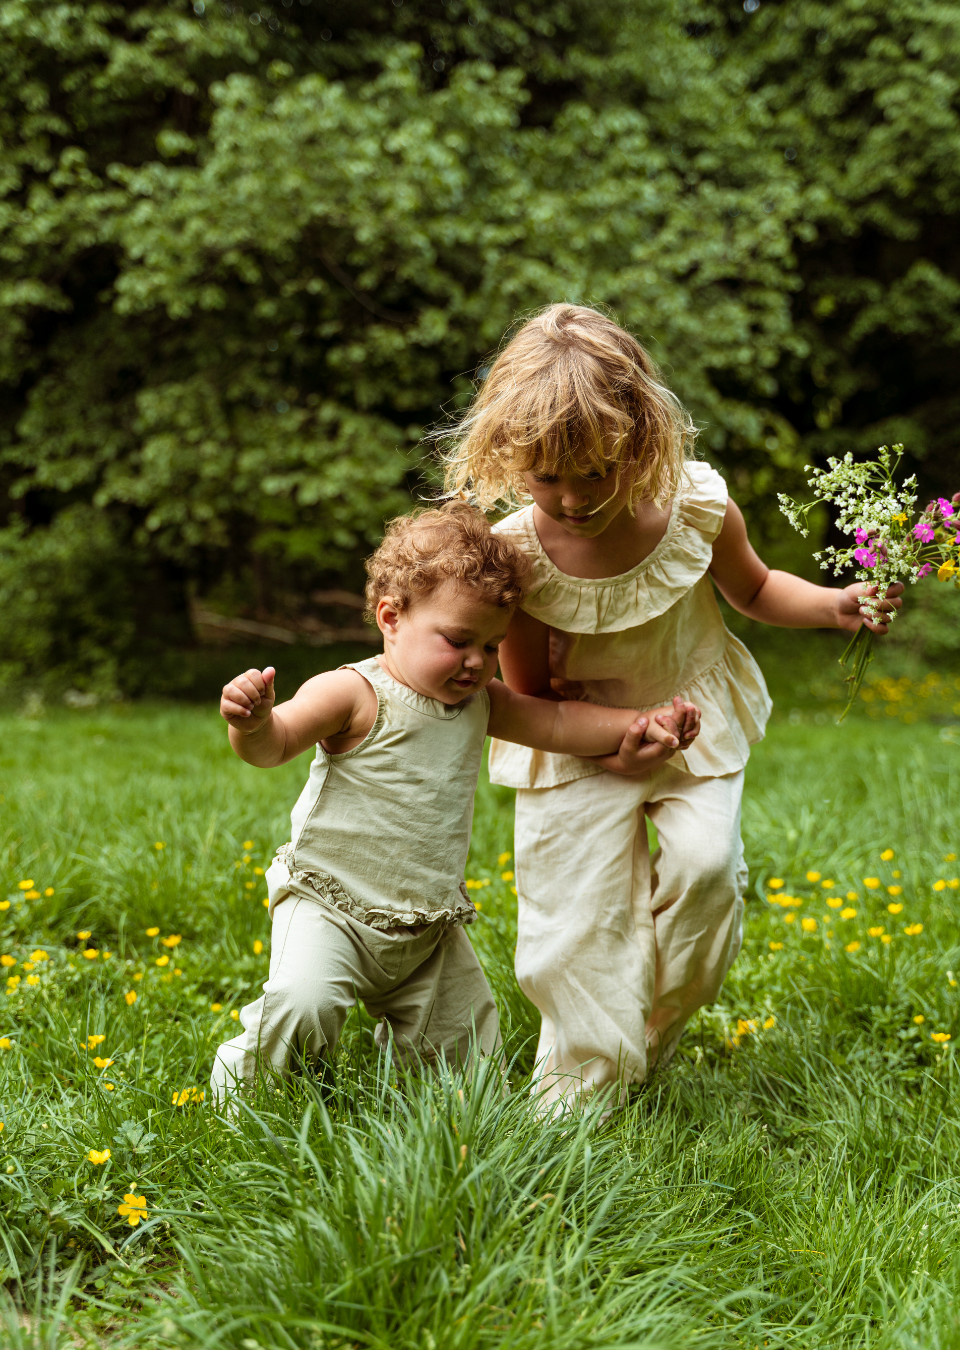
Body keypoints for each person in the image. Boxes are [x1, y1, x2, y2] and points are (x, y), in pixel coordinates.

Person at [442, 303, 905, 1110]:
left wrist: (835, 605)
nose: (574, 498)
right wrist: (615, 745)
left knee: (706, 871)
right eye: (547, 477)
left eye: (595, 472)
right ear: (509, 456)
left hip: (694, 721)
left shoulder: (695, 508)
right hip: (579, 738)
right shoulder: (514, 554)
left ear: (640, 442)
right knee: (571, 921)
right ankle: (576, 1091)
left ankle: (647, 1031)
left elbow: (756, 588)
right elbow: (534, 697)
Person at [210, 503, 699, 1103]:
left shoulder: (480, 702)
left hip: (426, 921)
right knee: (304, 1003)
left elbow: (561, 722)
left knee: (466, 1049)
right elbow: (273, 745)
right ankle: (244, 1092)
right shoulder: (355, 693)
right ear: (391, 617)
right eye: (458, 640)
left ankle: (443, 1124)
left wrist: (642, 722)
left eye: (492, 646)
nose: (477, 662)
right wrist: (251, 720)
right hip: (329, 908)